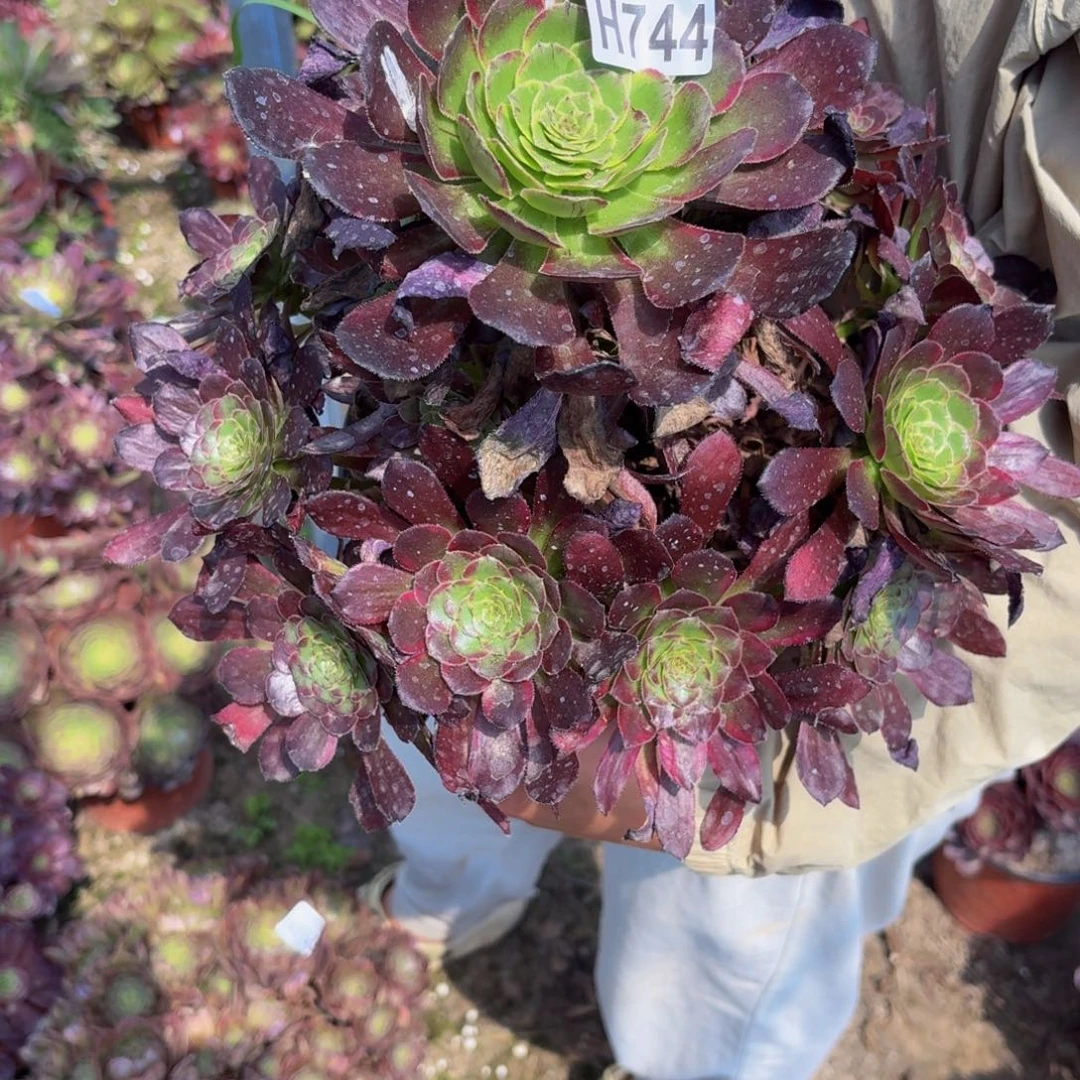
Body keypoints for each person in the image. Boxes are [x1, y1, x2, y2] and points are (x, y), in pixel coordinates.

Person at [363, 3, 1080, 1077]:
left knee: (709, 946)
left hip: (815, 616)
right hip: (467, 417)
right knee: (436, 715)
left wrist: (771, 818)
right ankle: (450, 899)